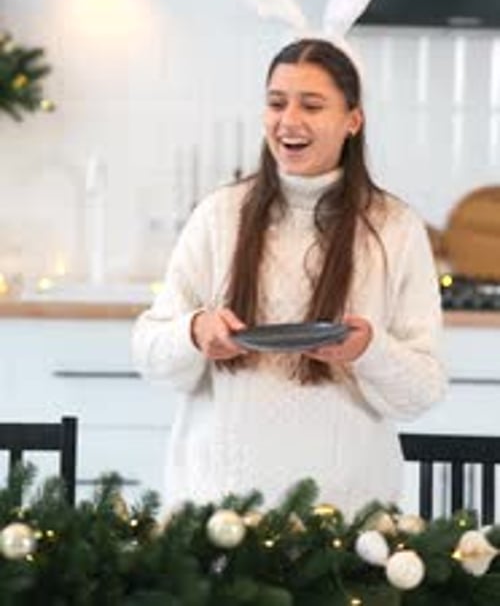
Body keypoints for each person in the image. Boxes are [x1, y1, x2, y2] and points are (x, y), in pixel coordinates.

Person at [131, 37, 447, 516]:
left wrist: (369, 349)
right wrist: (195, 331)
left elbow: (422, 391)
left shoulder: (394, 227)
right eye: (277, 103)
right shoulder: (220, 214)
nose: (289, 121)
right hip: (219, 512)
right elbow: (150, 353)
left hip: (345, 519)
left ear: (353, 121)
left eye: (312, 105)